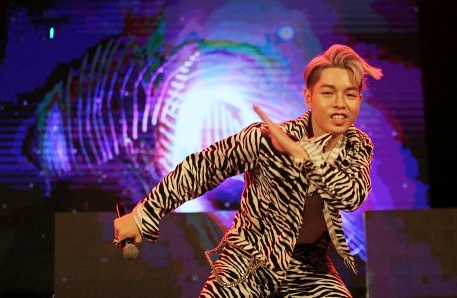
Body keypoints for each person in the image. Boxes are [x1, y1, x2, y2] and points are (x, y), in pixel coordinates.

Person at [113, 43, 383, 297]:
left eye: (350, 94)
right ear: (309, 97)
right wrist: (142, 215)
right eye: (328, 93)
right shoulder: (265, 139)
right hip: (247, 260)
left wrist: (305, 157)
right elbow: (202, 168)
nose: (340, 103)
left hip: (309, 267)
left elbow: (350, 197)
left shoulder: (357, 146)